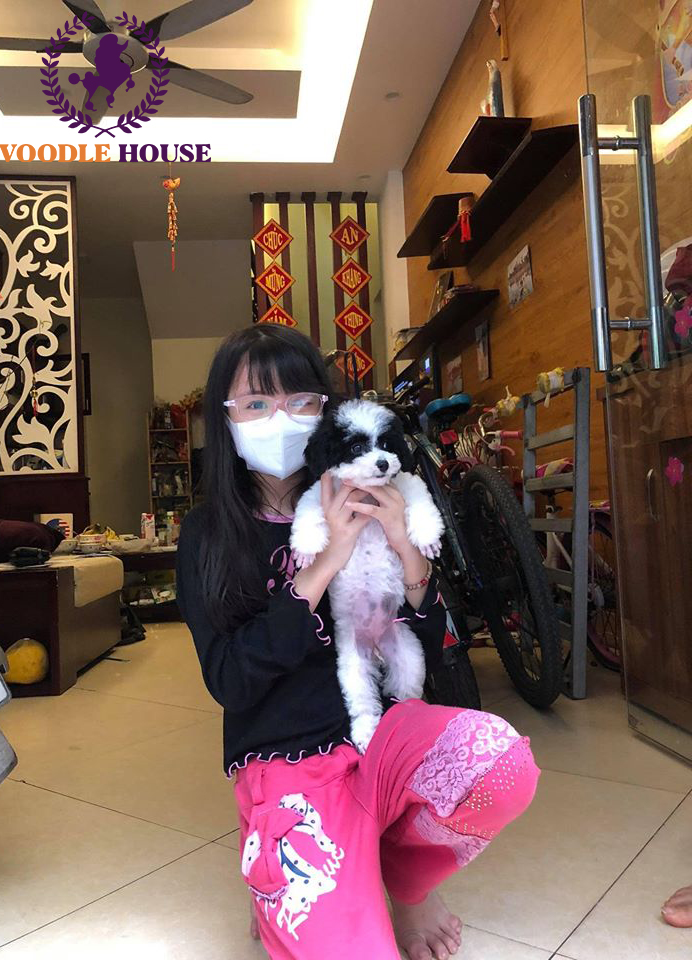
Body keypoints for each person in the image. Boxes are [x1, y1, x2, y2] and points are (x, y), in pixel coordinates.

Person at [176, 324, 540, 960]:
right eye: (256, 403)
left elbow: (432, 643)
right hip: (289, 754)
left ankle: (405, 877)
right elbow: (230, 680)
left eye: (300, 400)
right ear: (225, 418)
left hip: (384, 736)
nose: (280, 419)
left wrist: (405, 545)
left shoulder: (376, 492)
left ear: (326, 410)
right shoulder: (207, 534)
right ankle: (280, 855)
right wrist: (324, 563)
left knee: (501, 762)